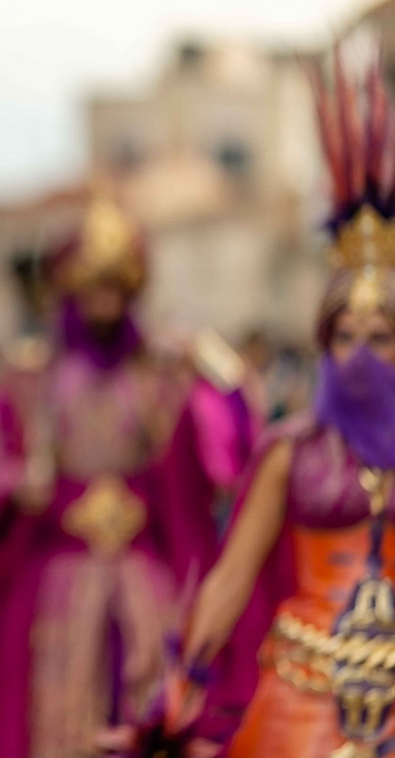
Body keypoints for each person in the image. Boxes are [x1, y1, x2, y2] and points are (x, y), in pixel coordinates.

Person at [0, 192, 257, 758]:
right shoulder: (31, 377)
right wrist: (20, 486)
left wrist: (211, 358)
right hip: (55, 572)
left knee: (155, 696)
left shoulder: (162, 374)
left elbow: (229, 452)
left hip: (144, 575)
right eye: (93, 288)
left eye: (115, 289)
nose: (104, 301)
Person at [183, 49, 395, 757]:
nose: (361, 355)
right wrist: (182, 690)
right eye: (345, 336)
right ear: (323, 345)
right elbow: (230, 579)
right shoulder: (291, 450)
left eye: (380, 337)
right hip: (303, 700)